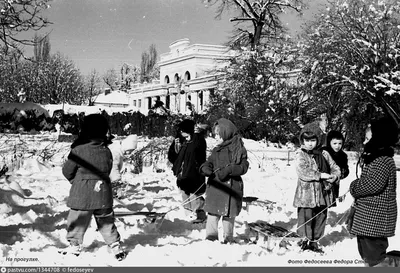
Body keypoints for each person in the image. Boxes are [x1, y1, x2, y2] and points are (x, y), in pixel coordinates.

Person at [60, 114, 126, 261]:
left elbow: (67, 171)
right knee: (106, 220)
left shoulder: (78, 150)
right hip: (103, 192)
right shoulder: (106, 150)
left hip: (82, 194)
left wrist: (76, 181)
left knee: (77, 219)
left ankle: (75, 246)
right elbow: (108, 169)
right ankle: (115, 245)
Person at [349, 117, 398, 267]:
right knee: (367, 253)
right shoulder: (376, 158)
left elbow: (373, 184)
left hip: (376, 219)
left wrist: (354, 186)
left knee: (374, 255)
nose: (364, 142)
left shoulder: (383, 160)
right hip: (368, 218)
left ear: (380, 139)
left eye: (368, 139)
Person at [293, 121, 341, 253]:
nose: (309, 143)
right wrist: (321, 175)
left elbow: (335, 167)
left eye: (313, 140)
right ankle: (304, 240)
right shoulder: (300, 154)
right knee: (306, 217)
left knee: (320, 217)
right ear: (302, 140)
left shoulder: (324, 154)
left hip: (323, 193)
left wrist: (334, 176)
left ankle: (314, 241)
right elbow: (303, 172)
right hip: (306, 195)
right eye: (306, 140)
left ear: (318, 140)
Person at [199, 118, 249, 243]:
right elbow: (209, 162)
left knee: (228, 215)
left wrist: (230, 169)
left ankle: (228, 238)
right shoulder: (217, 150)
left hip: (231, 189)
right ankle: (211, 237)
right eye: (215, 134)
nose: (215, 137)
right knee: (212, 213)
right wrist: (205, 167)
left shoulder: (239, 149)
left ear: (226, 133)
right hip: (216, 188)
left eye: (218, 134)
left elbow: (243, 167)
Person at [167, 119, 207, 222]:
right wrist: (175, 151)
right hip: (182, 174)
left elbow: (199, 154)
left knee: (195, 195)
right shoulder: (179, 140)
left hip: (194, 173)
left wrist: (197, 134)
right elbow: (172, 156)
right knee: (185, 193)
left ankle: (199, 214)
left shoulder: (197, 139)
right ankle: (188, 214)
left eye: (183, 130)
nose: (181, 132)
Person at [321, 130, 349, 202]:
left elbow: (345, 170)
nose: (337, 146)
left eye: (340, 143)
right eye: (334, 143)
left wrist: (342, 173)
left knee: (331, 203)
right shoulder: (324, 152)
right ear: (329, 142)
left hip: (334, 184)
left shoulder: (343, 156)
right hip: (322, 182)